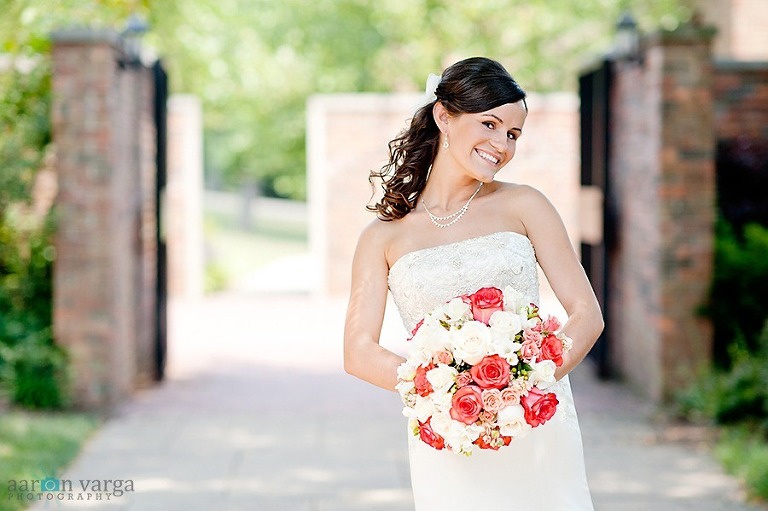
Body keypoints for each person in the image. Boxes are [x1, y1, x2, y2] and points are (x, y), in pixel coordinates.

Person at [343, 56, 604, 510]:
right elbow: (358, 352)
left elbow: (587, 316)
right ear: (444, 116)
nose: (501, 144)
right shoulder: (382, 237)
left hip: (536, 425)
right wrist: (440, 388)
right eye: (490, 124)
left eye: (513, 134)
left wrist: (522, 388)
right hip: (451, 433)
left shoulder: (526, 206)